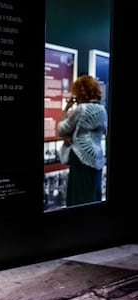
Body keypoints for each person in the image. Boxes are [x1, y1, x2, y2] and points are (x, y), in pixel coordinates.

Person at [57, 75, 108, 206]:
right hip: (97, 157)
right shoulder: (102, 109)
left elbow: (62, 130)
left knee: (78, 198)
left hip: (80, 158)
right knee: (93, 195)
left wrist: (66, 110)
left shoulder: (81, 109)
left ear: (80, 92)